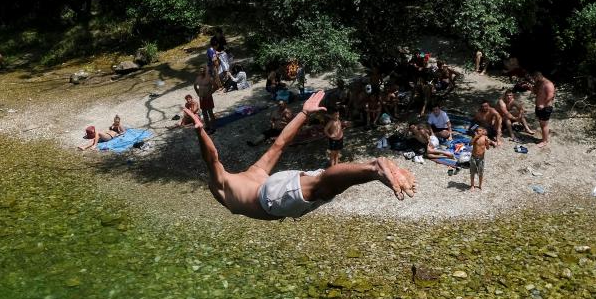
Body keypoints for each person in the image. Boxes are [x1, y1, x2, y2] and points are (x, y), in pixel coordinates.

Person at [182, 91, 416, 220]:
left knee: (322, 186)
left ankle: (375, 168)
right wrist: (304, 113)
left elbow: (211, 157)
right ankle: (371, 168)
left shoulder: (222, 185)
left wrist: (200, 130)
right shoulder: (256, 171)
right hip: (278, 192)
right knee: (328, 185)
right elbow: (281, 143)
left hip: (269, 200)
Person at [532, 72, 556, 148]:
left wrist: (543, 104)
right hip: (539, 107)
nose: (534, 80)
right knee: (542, 124)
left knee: (544, 125)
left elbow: (551, 96)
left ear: (539, 76)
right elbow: (536, 92)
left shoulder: (548, 84)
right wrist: (532, 88)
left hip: (545, 108)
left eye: (535, 78)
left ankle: (545, 141)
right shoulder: (539, 83)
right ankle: (544, 139)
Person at [469, 125, 494, 190]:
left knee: (481, 172)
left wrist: (487, 142)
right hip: (473, 157)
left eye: (480, 131)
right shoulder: (474, 137)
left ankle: (480, 185)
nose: (478, 132)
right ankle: (472, 185)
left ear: (483, 131)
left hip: (481, 158)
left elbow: (488, 148)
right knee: (472, 172)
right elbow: (470, 144)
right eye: (477, 131)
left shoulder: (484, 138)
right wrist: (475, 137)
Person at [194, 66, 218, 131]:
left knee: (210, 112)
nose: (202, 72)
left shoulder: (209, 78)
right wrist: (198, 94)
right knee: (204, 113)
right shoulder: (198, 78)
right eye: (201, 71)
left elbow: (216, 86)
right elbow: (195, 86)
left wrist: (210, 93)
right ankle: (207, 126)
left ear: (205, 71)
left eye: (203, 70)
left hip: (208, 97)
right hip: (202, 98)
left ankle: (213, 127)